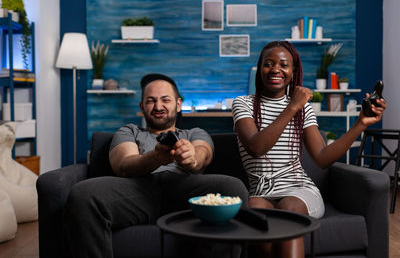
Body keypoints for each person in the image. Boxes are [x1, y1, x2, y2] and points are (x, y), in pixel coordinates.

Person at [63, 73, 248, 257]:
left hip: (186, 189)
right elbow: (124, 166)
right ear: (142, 106)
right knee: (82, 194)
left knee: (233, 188)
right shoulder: (129, 131)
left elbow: (203, 153)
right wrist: (156, 157)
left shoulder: (194, 133)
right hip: (138, 191)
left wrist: (192, 158)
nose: (158, 107)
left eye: (165, 100)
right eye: (151, 101)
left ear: (178, 104)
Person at [232, 41, 386, 258]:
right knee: (255, 209)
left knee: (289, 209)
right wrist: (292, 106)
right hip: (261, 191)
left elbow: (323, 159)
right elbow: (257, 147)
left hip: (299, 191)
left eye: (284, 65)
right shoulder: (243, 104)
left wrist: (360, 123)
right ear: (260, 69)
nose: (276, 69)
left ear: (293, 72)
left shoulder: (303, 109)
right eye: (268, 64)